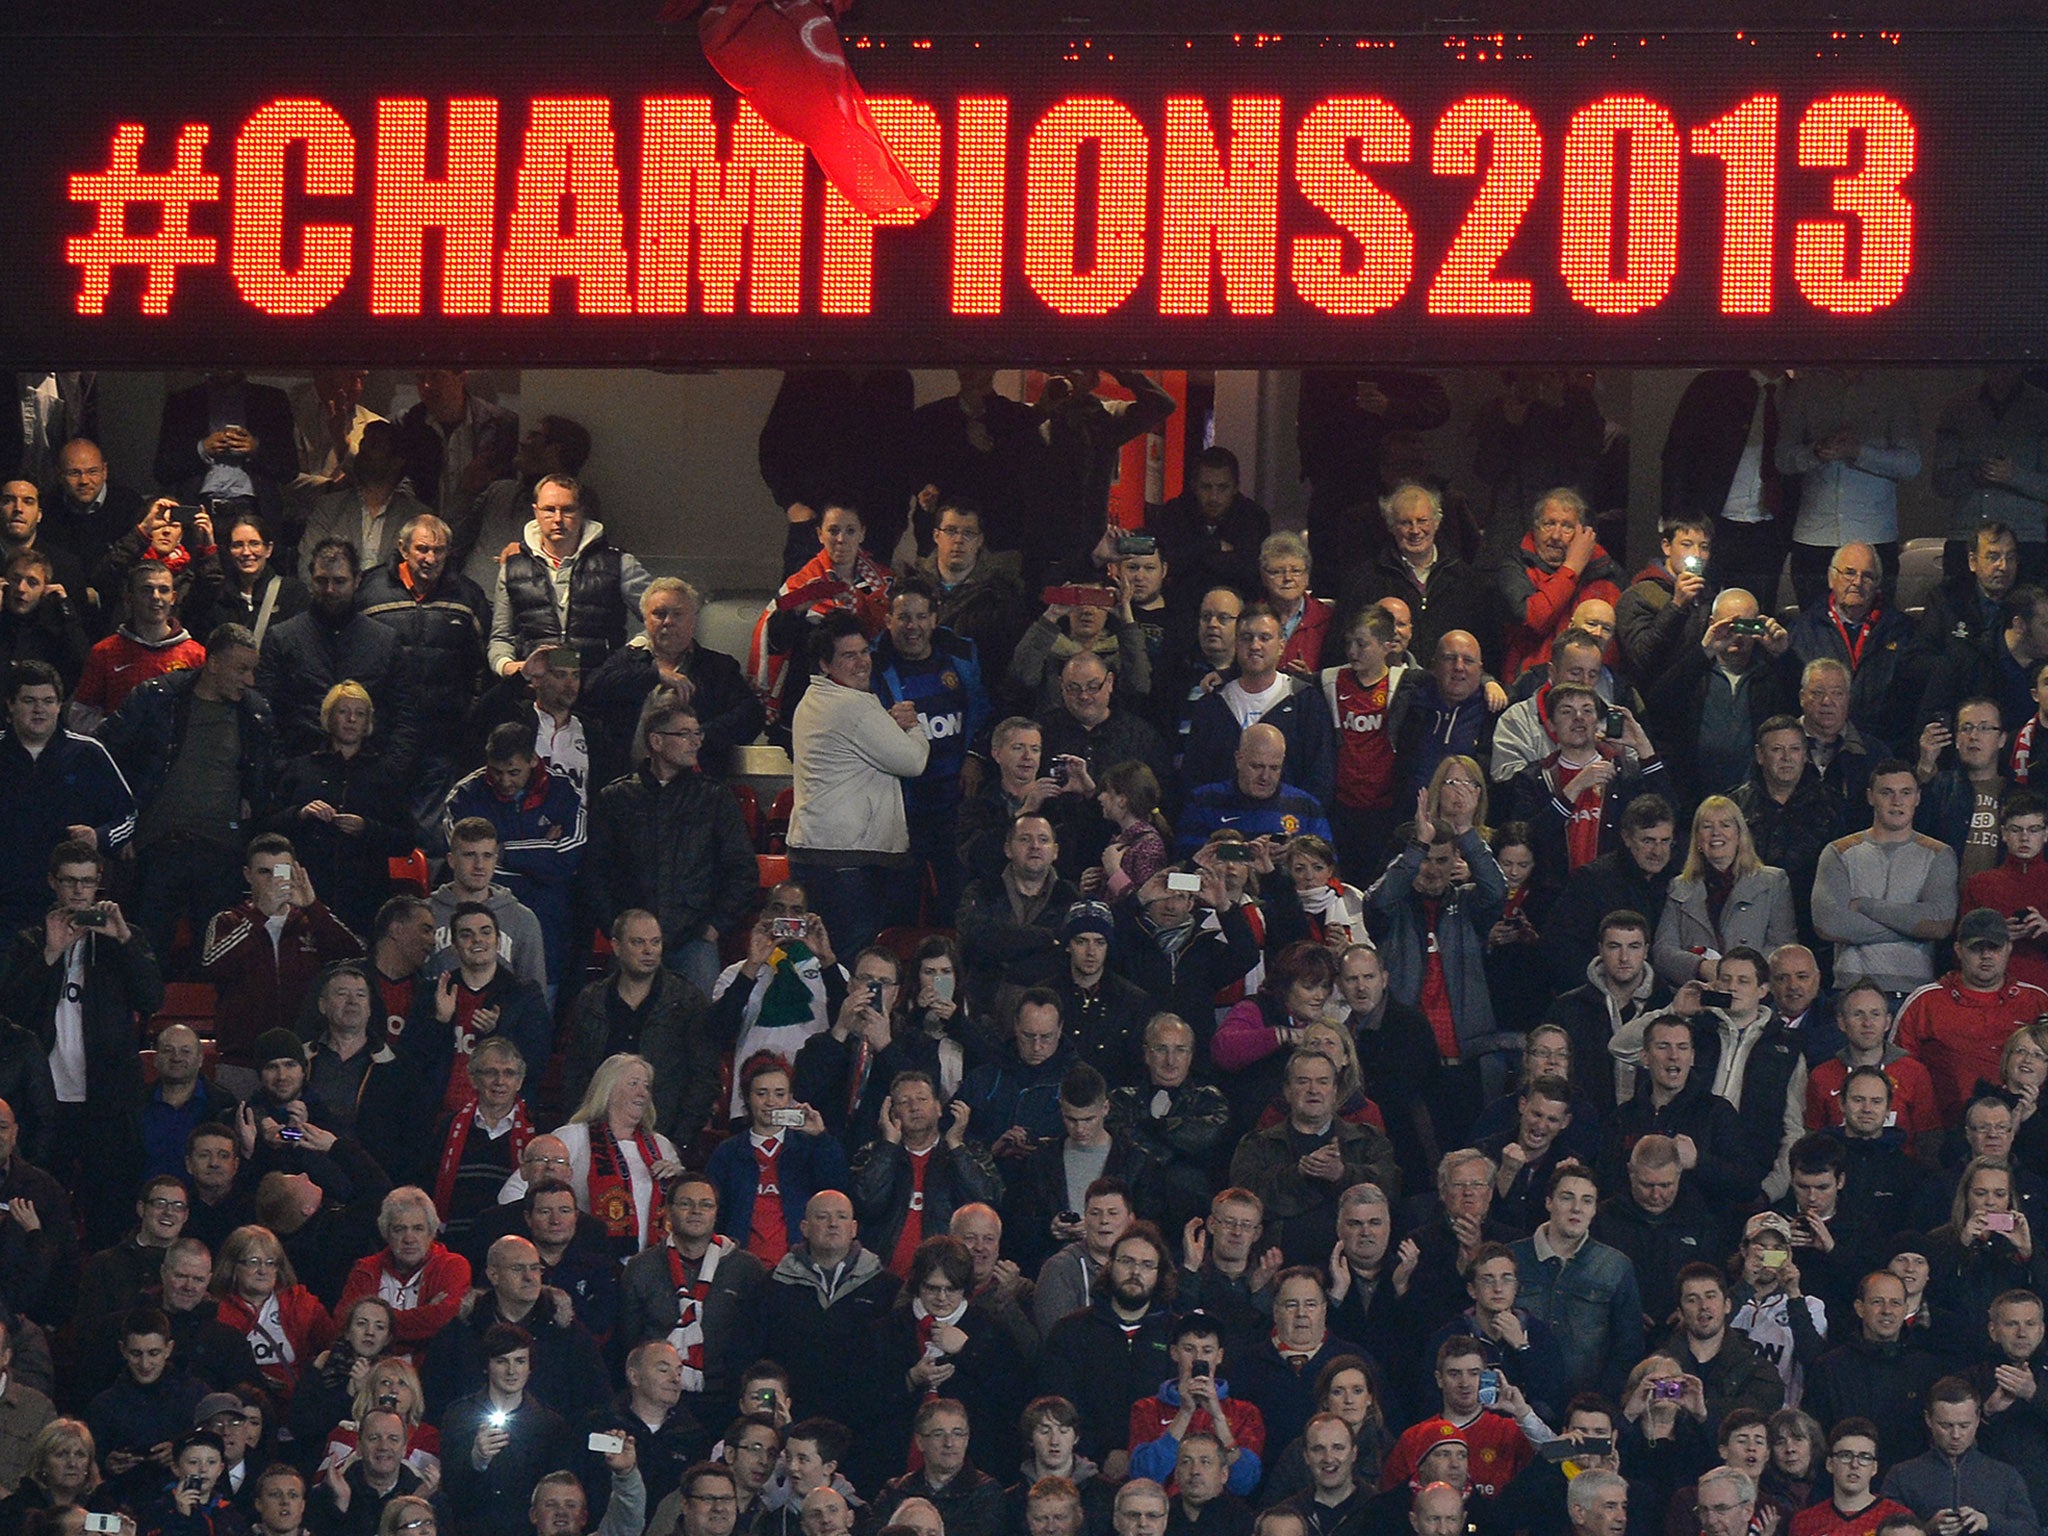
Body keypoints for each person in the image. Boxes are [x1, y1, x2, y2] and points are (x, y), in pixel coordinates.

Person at [0, 839, 158, 1241]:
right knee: (42, 1206)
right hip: (44, 1101)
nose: (77, 891)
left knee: (107, 1207)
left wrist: (123, 941)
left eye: (86, 882)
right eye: (69, 881)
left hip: (106, 1098)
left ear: (98, 884)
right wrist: (51, 954)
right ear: (53, 883)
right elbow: (11, 1013)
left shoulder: (124, 937)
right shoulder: (30, 941)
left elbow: (151, 998)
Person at [786, 613, 928, 955]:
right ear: (824, 664)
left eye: (864, 652)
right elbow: (913, 761)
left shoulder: (812, 700)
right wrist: (912, 727)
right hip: (846, 864)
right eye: (848, 656)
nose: (862, 662)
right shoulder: (852, 707)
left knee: (822, 961)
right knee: (848, 964)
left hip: (820, 855)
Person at [355, 512, 491, 844]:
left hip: (443, 735)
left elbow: (482, 663)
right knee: (381, 823)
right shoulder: (370, 592)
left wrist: (467, 711)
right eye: (422, 549)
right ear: (403, 549)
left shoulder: (467, 596)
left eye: (439, 550)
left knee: (431, 831)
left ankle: (426, 891)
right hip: (383, 736)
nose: (430, 559)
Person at [760, 1192, 902, 1491]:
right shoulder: (772, 1286)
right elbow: (759, 1361)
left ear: (854, 1228)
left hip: (866, 1434)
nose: (832, 1224)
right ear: (804, 1227)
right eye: (822, 1217)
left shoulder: (887, 1289)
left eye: (841, 1217)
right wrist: (768, 1410)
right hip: (792, 1429)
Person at [564, 909, 719, 1155]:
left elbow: (703, 1077)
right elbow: (575, 1073)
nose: (649, 951)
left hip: (662, 1137)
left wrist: (679, 1141)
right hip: (596, 1138)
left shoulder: (687, 1001)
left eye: (655, 942)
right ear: (616, 946)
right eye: (638, 942)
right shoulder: (591, 1000)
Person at [581, 579, 763, 786]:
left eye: (677, 614)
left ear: (692, 621)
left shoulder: (719, 668)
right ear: (646, 621)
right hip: (626, 789)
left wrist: (696, 736)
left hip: (695, 790)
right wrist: (653, 676)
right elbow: (592, 689)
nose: (668, 621)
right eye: (659, 614)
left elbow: (751, 716)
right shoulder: (626, 661)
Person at [1228, 1053, 1399, 1268]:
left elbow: (1391, 1188)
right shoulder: (1258, 1144)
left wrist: (1342, 1175)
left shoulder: (1367, 1139)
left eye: (1323, 1081)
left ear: (1335, 1091)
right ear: (1287, 1091)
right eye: (1303, 1081)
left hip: (1354, 1268)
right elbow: (1242, 1203)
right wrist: (1298, 1174)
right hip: (1279, 1268)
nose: (1313, 1090)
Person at [1813, 763, 1961, 998]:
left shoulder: (1939, 854)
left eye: (1906, 792)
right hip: (1850, 989)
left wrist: (1865, 906)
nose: (1897, 801)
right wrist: (1912, 928)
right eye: (1886, 792)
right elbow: (1829, 924)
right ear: (1871, 797)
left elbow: (1940, 924)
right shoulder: (1839, 851)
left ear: (1918, 798)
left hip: (1914, 992)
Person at [1779, 371, 1923, 609]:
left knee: (1876, 629)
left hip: (1873, 535)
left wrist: (1859, 452)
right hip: (1814, 537)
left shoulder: (1892, 389)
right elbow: (1783, 458)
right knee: (1813, 630)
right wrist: (1815, 452)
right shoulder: (1805, 389)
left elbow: (1911, 464)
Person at [486, 474, 648, 679]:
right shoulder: (513, 568)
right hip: (537, 690)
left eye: (567, 509)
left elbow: (661, 621)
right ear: (535, 511)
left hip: (601, 688)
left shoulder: (618, 562)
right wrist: (508, 667)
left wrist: (630, 654)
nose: (557, 519)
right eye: (549, 509)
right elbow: (500, 638)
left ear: (581, 512)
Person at [1895, 909, 2048, 1122]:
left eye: (1994, 947)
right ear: (1958, 950)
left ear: (2009, 948)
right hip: (1945, 1128)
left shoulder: (2037, 1001)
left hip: (2028, 1124)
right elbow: (1897, 1072)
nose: (1986, 955)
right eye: (1977, 948)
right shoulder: (1925, 1001)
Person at [1183, 605, 1338, 811]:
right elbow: (1194, 776)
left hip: (1287, 829)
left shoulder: (1305, 702)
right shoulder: (1212, 705)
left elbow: (1320, 776)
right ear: (1236, 644)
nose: (1255, 645)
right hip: (1222, 827)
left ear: (1281, 645)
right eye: (1247, 638)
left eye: (1265, 638)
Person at [1508, 1167, 1642, 1398]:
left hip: (1584, 1406)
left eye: (1587, 1201)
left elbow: (1628, 1348)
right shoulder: (1511, 1259)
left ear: (1594, 1210)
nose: (1577, 1208)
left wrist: (1599, 1403)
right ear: (1549, 1202)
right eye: (1567, 1197)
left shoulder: (1616, 1266)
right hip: (1515, 1400)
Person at [704, 1052, 845, 1266]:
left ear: (790, 1098)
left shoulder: (811, 1147)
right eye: (762, 1093)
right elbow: (713, 1214)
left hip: (800, 1268)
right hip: (738, 1269)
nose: (771, 1102)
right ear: (747, 1097)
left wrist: (821, 1137)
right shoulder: (727, 1153)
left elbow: (838, 1190)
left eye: (779, 1094)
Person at [438, 1324, 577, 1536]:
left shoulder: (550, 1425)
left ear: (530, 1367)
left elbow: (555, 1490)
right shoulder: (458, 1416)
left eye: (520, 1361)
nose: (512, 1371)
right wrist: (476, 1459)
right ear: (487, 1365)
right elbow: (449, 1489)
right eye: (502, 1361)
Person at [1803, 1271, 1946, 1467]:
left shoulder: (1927, 1370)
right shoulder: (1829, 1368)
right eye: (1877, 1302)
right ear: (1860, 1308)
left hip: (1906, 1489)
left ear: (1905, 1309)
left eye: (1895, 1303)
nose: (1887, 1310)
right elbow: (1815, 1438)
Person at [1789, 543, 1916, 753]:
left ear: (1878, 585)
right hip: (1817, 749)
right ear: (1831, 578)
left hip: (1883, 749)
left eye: (1867, 576)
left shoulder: (1904, 631)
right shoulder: (1801, 630)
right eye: (1849, 573)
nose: (1857, 582)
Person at [1126, 1313, 1264, 1498]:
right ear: (1174, 1352)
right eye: (1189, 1349)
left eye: (1207, 1351)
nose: (1198, 1359)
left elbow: (1244, 1483)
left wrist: (1218, 1418)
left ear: (1219, 1356)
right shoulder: (1146, 1409)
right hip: (1164, 1516)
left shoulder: (1246, 1413)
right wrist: (1185, 1412)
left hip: (1220, 1515)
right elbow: (1144, 1477)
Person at [1879, 1377, 2038, 1536]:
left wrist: (1987, 1522)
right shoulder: (1901, 1476)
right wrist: (1927, 1530)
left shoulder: (2006, 1476)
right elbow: (1883, 1532)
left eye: (1964, 1426)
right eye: (1946, 1425)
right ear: (1928, 1419)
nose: (1956, 1435)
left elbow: (2030, 1531)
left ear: (1977, 1420)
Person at [1498, 490, 1625, 683]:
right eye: (1549, 524)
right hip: (1530, 686)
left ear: (1584, 533)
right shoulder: (1516, 567)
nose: (1556, 535)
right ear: (1535, 528)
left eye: (1566, 527)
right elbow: (1533, 621)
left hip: (1592, 688)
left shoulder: (1607, 572)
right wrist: (1572, 568)